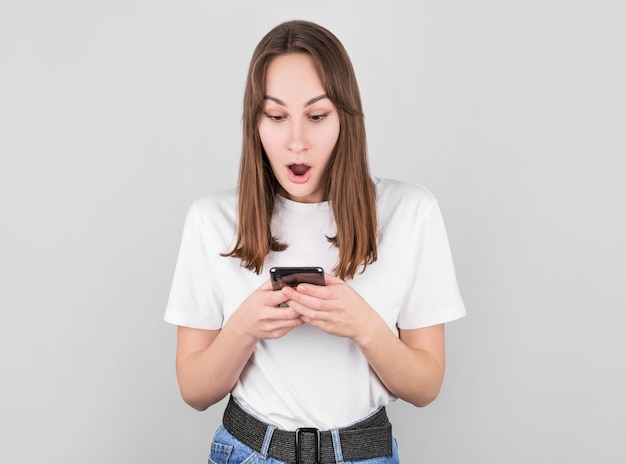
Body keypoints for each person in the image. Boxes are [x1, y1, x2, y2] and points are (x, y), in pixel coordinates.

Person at [165, 20, 466, 464]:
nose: (297, 141)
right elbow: (194, 390)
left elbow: (425, 386)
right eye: (277, 116)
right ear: (256, 123)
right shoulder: (211, 220)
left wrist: (362, 324)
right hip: (248, 452)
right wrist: (245, 327)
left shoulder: (411, 212)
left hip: (365, 453)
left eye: (317, 115)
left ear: (345, 118)